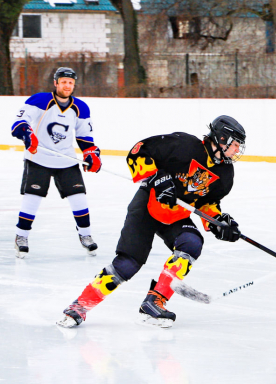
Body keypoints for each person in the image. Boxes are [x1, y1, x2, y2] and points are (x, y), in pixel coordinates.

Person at [56, 116, 246, 328]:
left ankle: (154, 302)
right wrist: (156, 178)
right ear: (221, 139)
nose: (237, 150)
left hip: (175, 215)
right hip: (148, 205)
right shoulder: (184, 145)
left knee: (191, 243)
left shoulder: (225, 174)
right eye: (235, 144)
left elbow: (207, 202)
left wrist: (218, 222)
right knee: (127, 264)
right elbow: (139, 151)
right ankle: (80, 306)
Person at [10, 67, 101, 259]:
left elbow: (85, 136)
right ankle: (22, 236)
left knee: (79, 198)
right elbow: (19, 123)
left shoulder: (80, 107)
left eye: (70, 83)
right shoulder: (40, 100)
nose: (67, 86)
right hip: (38, 159)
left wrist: (91, 154)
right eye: (63, 82)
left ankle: (85, 235)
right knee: (32, 198)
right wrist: (27, 133)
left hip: (66, 160)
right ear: (56, 83)